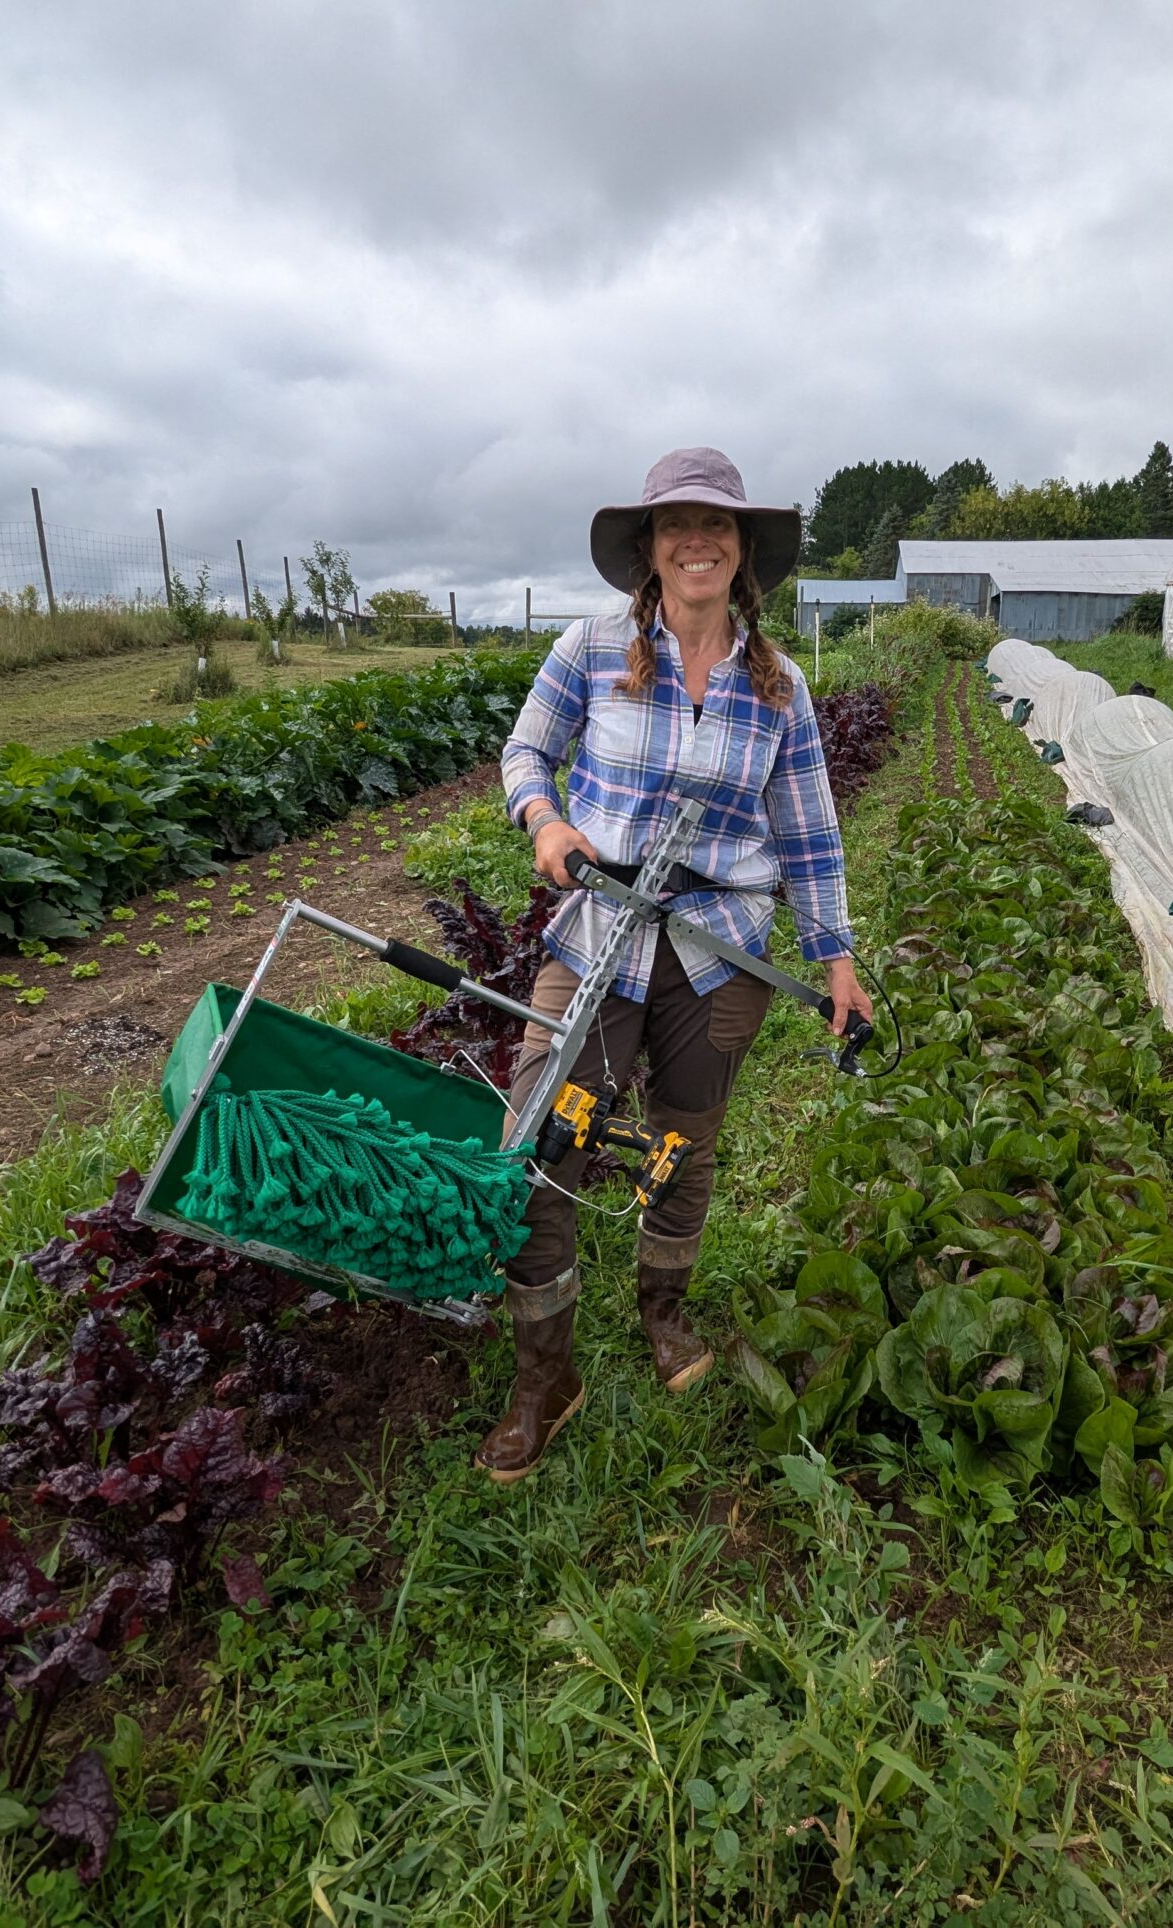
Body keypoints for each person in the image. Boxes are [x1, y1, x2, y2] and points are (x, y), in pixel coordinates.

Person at [482, 447, 872, 1482]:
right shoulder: (591, 646)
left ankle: (663, 1312)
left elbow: (810, 833)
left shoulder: (775, 685)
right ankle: (544, 1373)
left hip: (720, 950)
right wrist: (546, 817)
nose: (694, 541)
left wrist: (834, 956)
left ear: (742, 550)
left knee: (681, 1140)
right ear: (648, 549)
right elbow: (525, 750)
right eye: (673, 526)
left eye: (716, 526)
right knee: (538, 1137)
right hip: (600, 932)